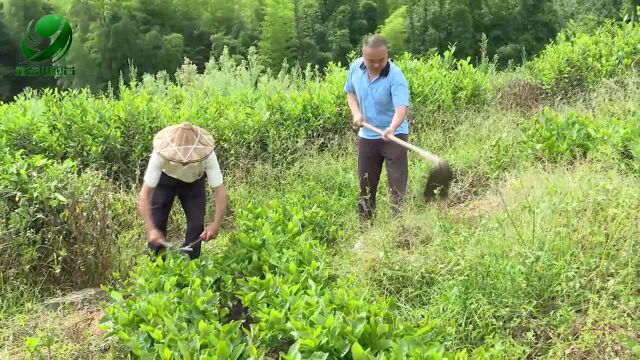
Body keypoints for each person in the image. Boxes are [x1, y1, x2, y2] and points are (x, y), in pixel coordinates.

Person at [344, 34, 411, 221]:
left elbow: (401, 108)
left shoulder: (396, 76)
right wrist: (356, 113)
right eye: (371, 60)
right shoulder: (355, 68)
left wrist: (392, 127)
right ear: (363, 56)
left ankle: (400, 229)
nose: (376, 64)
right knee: (365, 185)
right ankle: (365, 230)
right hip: (367, 135)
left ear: (387, 54)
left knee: (397, 186)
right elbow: (350, 92)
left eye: (381, 60)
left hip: (394, 135)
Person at [138, 122, 227, 260]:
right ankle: (155, 265)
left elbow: (220, 191)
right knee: (157, 223)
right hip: (165, 181)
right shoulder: (160, 154)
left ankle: (190, 265)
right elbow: (145, 195)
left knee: (196, 226)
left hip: (193, 183)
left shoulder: (207, 154)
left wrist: (216, 224)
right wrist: (151, 230)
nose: (184, 162)